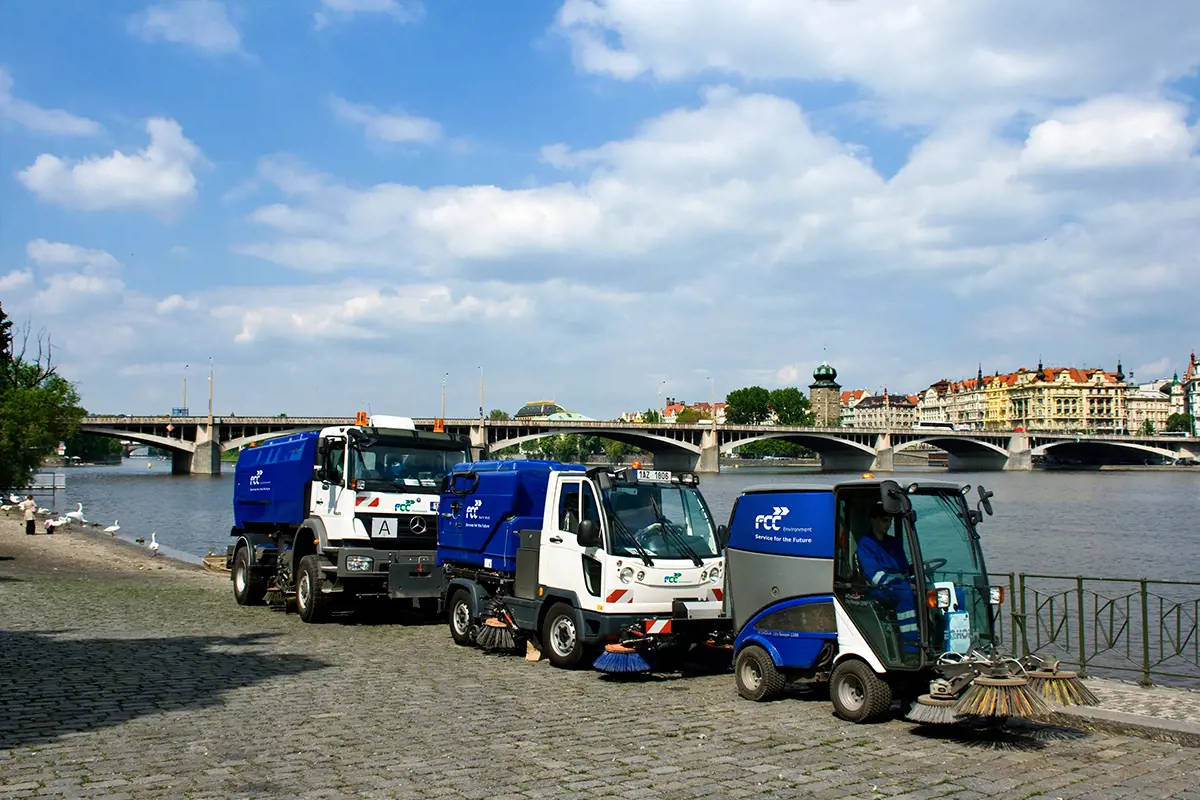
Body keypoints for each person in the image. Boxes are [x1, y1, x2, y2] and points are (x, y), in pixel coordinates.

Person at [856, 502, 919, 653]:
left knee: (942, 592)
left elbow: (904, 568)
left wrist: (916, 576)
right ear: (873, 520)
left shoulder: (893, 543)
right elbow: (875, 575)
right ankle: (911, 648)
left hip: (900, 584)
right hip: (879, 589)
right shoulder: (866, 544)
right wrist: (901, 583)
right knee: (905, 594)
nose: (888, 524)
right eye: (885, 520)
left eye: (890, 521)